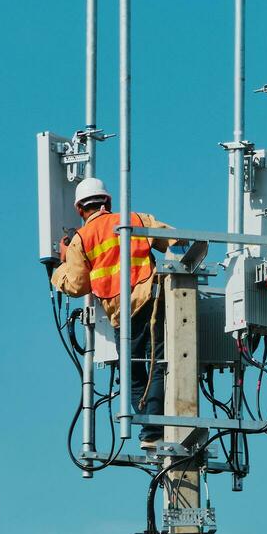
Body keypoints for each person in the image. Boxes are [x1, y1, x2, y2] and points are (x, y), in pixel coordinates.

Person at [51, 176, 179, 448]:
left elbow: (76, 285)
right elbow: (175, 240)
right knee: (156, 364)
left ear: (79, 209)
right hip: (150, 299)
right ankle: (152, 431)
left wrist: (60, 266)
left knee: (132, 371)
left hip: (120, 311)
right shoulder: (134, 219)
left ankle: (151, 431)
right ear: (107, 201)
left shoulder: (81, 240)